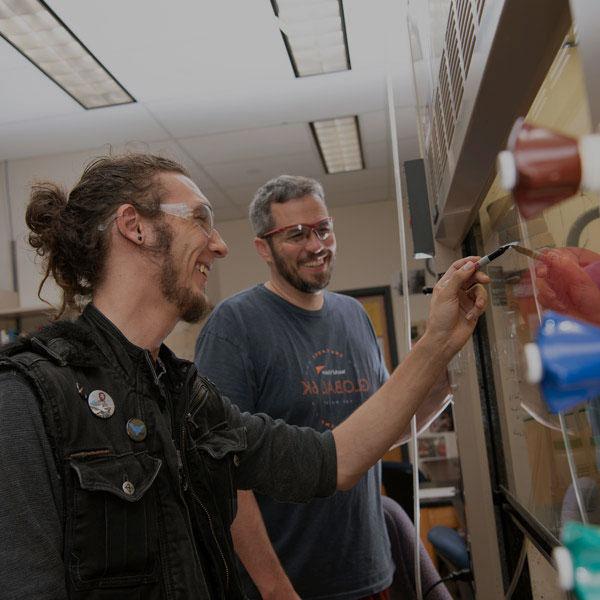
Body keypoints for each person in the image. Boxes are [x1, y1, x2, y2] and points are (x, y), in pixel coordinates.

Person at [0, 154, 488, 600]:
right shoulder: (29, 397)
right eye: (200, 219)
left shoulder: (184, 397)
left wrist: (439, 341)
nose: (219, 245)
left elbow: (332, 460)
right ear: (136, 227)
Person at [194, 175, 455, 600]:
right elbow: (220, 478)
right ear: (264, 247)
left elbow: (386, 428)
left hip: (372, 574)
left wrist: (448, 377)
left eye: (323, 229)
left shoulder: (354, 317)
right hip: (290, 585)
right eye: (296, 234)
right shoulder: (234, 326)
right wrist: (276, 589)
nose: (316, 245)